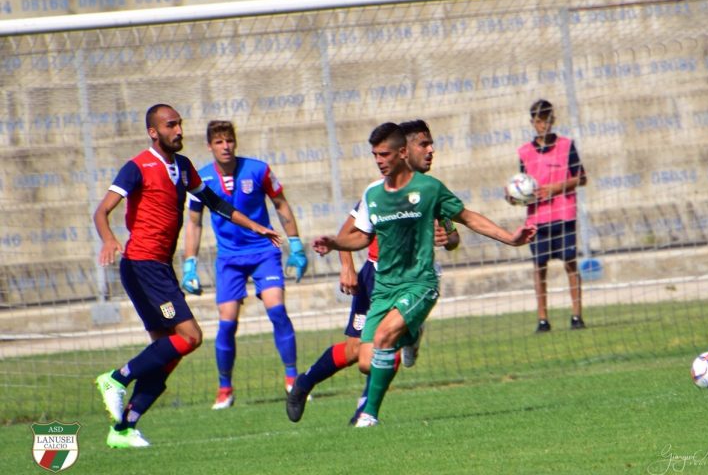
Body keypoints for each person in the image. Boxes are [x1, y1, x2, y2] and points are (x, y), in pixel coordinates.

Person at [311, 122, 535, 427]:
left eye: (384, 154)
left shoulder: (429, 189)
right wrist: (335, 242)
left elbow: (466, 218)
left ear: (402, 153)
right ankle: (412, 335)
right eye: (375, 155)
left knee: (384, 337)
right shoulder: (373, 194)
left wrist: (510, 238)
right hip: (384, 287)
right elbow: (362, 237)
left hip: (420, 283)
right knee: (367, 362)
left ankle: (369, 415)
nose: (379, 160)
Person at [93, 104, 281, 448]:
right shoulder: (137, 167)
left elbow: (216, 203)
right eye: (170, 125)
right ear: (154, 132)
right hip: (142, 265)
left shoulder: (183, 167)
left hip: (159, 266)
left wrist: (255, 225)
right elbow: (102, 210)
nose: (178, 130)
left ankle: (124, 428)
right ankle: (116, 379)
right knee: (190, 336)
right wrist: (108, 238)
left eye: (179, 124)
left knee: (169, 351)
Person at [285, 120, 458, 424]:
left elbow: (453, 236)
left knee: (382, 342)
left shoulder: (430, 191)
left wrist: (449, 238)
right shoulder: (381, 189)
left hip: (412, 279)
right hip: (375, 276)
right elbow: (348, 231)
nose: (430, 152)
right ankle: (305, 382)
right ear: (404, 151)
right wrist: (347, 267)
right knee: (357, 352)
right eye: (423, 145)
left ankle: (365, 410)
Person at [181, 120, 307, 410]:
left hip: (264, 251)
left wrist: (296, 244)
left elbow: (281, 204)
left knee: (277, 311)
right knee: (227, 323)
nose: (225, 147)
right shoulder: (201, 179)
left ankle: (292, 380)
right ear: (210, 146)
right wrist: (190, 265)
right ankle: (225, 388)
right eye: (219, 142)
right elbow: (195, 222)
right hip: (229, 259)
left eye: (229, 141)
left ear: (235, 142)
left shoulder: (259, 170)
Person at [513, 99, 588, 333]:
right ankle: (543, 319)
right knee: (539, 267)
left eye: (546, 120)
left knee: (570, 263)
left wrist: (555, 188)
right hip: (537, 219)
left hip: (564, 214)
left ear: (552, 120)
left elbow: (581, 178)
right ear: (532, 122)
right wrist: (513, 196)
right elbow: (522, 186)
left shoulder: (567, 146)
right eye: (538, 121)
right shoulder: (525, 152)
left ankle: (577, 316)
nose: (542, 125)